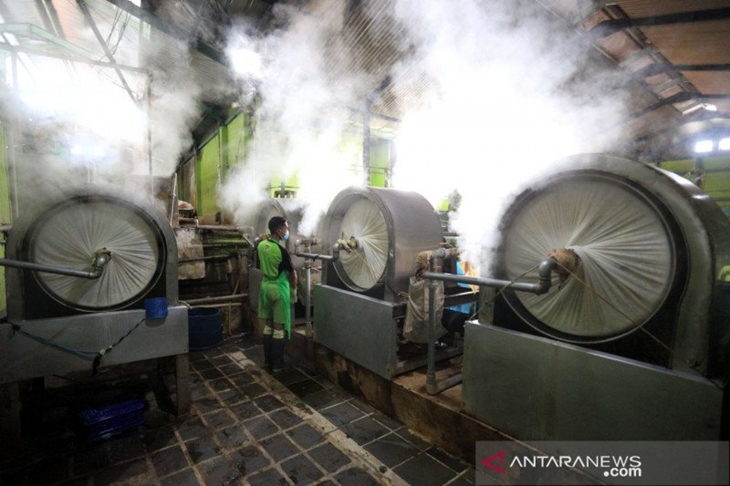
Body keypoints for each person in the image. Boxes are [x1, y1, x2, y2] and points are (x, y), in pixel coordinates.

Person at [257, 216, 298, 372]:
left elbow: (261, 242)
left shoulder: (261, 245)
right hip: (278, 290)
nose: (287, 231)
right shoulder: (282, 251)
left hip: (265, 287)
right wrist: (294, 291)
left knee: (268, 325)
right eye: (286, 228)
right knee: (279, 329)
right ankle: (278, 365)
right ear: (279, 230)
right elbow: (292, 274)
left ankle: (267, 362)